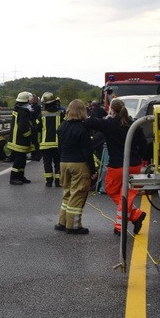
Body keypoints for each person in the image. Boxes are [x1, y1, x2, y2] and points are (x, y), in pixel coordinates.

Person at [85, 98, 148, 235]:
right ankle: (135, 215)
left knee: (112, 190)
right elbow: (144, 145)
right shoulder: (134, 124)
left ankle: (121, 225)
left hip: (117, 166)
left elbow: (89, 122)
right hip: (135, 164)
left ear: (112, 110)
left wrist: (106, 117)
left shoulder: (108, 124)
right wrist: (140, 158)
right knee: (129, 194)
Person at [55, 99, 97, 234]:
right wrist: (92, 169)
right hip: (79, 164)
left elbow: (59, 148)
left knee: (67, 192)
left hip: (64, 163)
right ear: (81, 111)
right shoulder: (82, 128)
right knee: (77, 194)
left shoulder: (62, 126)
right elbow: (87, 151)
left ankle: (62, 222)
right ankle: (73, 226)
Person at [6, 91, 35, 185]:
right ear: (26, 101)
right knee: (18, 160)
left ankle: (21, 176)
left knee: (22, 160)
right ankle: (13, 178)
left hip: (16, 139)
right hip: (20, 140)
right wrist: (30, 134)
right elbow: (23, 128)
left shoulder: (18, 109)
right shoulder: (23, 112)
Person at [38, 92, 64, 187]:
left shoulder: (41, 115)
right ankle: (58, 181)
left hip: (45, 144)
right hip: (58, 144)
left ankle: (49, 182)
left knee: (47, 163)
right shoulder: (61, 114)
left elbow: (37, 128)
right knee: (58, 162)